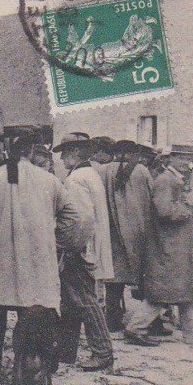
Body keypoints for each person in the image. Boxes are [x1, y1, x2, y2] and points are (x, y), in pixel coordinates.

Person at [0, 129, 88, 385]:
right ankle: (32, 369)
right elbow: (75, 218)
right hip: (35, 261)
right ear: (31, 151)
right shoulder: (48, 181)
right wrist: (57, 241)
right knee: (34, 311)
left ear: (7, 151)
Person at [126, 146, 193, 346]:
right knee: (163, 293)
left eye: (192, 159)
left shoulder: (175, 179)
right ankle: (135, 328)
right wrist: (188, 204)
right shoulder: (166, 181)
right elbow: (165, 212)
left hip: (180, 247)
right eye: (185, 159)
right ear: (173, 159)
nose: (189, 164)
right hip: (170, 248)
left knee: (188, 291)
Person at [53, 133, 115, 371]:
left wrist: (68, 247)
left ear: (77, 153)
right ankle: (66, 351)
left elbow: (79, 220)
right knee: (70, 300)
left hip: (80, 248)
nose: (61, 158)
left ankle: (102, 351)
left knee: (85, 299)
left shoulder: (76, 180)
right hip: (88, 245)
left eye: (65, 153)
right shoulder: (91, 174)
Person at [100, 140, 156, 340]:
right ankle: (152, 322)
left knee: (114, 279)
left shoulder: (103, 171)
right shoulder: (141, 171)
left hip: (111, 230)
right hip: (137, 231)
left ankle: (112, 320)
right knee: (145, 276)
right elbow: (152, 197)